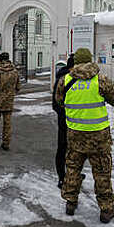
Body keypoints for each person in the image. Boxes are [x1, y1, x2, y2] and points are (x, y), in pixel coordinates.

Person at [55, 48, 114, 224]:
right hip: (98, 138)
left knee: (72, 169)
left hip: (75, 135)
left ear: (76, 61)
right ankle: (106, 210)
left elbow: (59, 102)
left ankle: (70, 203)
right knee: (102, 172)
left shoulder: (65, 80)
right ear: (90, 60)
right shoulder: (100, 80)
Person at [52, 54, 79, 189]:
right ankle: (62, 177)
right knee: (63, 148)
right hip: (65, 121)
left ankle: (73, 173)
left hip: (77, 122)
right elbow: (55, 103)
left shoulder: (77, 78)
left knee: (74, 150)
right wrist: (66, 114)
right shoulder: (63, 79)